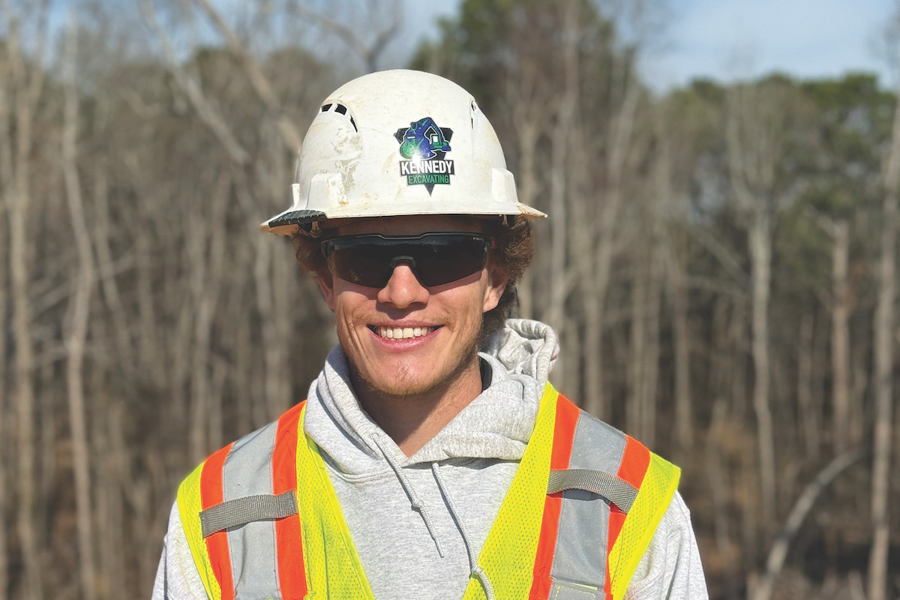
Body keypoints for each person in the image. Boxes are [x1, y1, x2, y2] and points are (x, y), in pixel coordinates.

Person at [152, 69, 708, 600]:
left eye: (443, 255)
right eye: (364, 257)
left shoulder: (628, 507)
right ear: (325, 277)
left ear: (497, 277)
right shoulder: (221, 515)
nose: (401, 293)